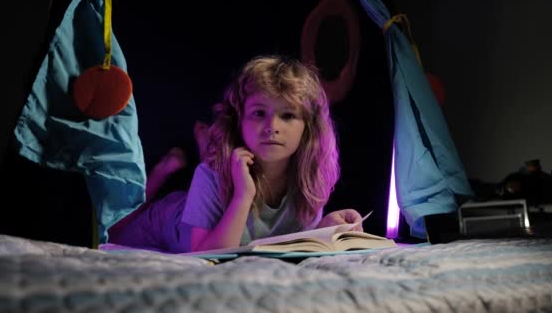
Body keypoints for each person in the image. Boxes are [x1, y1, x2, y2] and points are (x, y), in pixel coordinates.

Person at [108, 55, 363, 253]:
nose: (272, 126)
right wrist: (243, 196)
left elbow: (291, 243)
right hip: (169, 219)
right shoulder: (210, 175)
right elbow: (205, 255)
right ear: (239, 121)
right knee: (114, 231)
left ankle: (203, 150)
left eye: (288, 115)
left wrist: (325, 228)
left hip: (205, 201)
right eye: (259, 113)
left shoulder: (308, 180)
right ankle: (163, 170)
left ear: (307, 129)